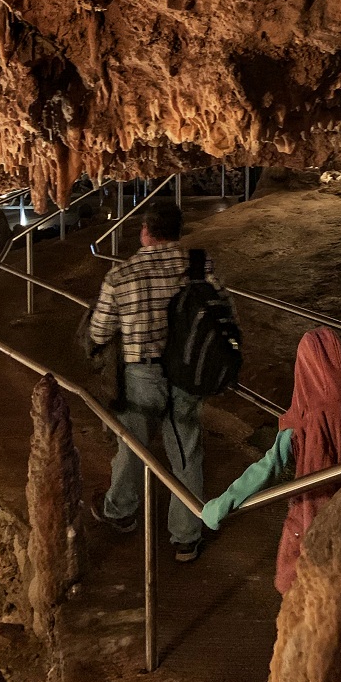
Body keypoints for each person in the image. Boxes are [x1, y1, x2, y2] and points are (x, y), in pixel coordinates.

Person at [201, 327, 341, 595]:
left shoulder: (302, 424)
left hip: (318, 518)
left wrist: (221, 505)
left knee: (304, 586)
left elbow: (269, 467)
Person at [88, 202, 207, 562]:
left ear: (145, 231)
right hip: (186, 372)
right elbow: (223, 312)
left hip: (142, 372)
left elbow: (99, 331)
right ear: (178, 231)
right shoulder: (198, 266)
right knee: (185, 452)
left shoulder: (122, 274)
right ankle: (186, 537)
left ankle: (121, 510)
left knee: (133, 444)